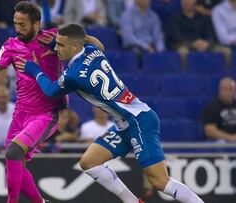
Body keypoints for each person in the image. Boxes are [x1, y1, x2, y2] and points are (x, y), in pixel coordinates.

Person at [17, 24, 204, 203]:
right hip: (125, 123)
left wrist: (33, 69)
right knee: (89, 162)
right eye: (56, 43)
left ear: (75, 47)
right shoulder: (92, 50)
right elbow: (99, 44)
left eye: (60, 45)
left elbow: (50, 90)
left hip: (138, 122)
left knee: (160, 182)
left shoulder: (75, 74)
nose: (55, 48)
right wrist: (65, 41)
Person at [0, 2, 104, 203]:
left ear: (36, 23)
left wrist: (81, 38)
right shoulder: (10, 45)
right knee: (14, 161)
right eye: (16, 24)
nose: (18, 29)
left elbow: (99, 48)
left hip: (47, 112)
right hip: (21, 113)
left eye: (23, 25)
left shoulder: (55, 39)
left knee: (13, 152)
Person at [167, 0, 231, 66]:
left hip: (204, 45)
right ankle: (184, 73)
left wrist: (207, 43)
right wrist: (192, 43)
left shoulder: (204, 18)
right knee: (183, 51)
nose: (186, 2)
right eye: (184, 0)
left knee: (226, 51)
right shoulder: (174, 18)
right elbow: (176, 36)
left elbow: (210, 34)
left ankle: (226, 72)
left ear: (195, 1)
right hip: (184, 44)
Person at [202, 77, 236, 142]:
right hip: (220, 141)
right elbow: (209, 131)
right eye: (225, 90)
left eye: (231, 90)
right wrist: (230, 138)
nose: (228, 93)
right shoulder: (211, 107)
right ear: (220, 90)